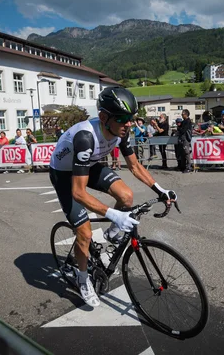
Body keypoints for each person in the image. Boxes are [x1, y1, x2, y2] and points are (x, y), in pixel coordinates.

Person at [48, 87, 177, 307]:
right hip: (64, 174)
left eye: (132, 118)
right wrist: (114, 214)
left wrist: (160, 190)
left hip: (87, 165)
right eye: (123, 118)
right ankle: (82, 278)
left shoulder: (121, 132)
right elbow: (78, 192)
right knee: (85, 233)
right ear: (103, 117)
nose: (129, 123)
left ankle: (112, 235)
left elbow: (135, 166)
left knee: (126, 196)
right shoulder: (86, 137)